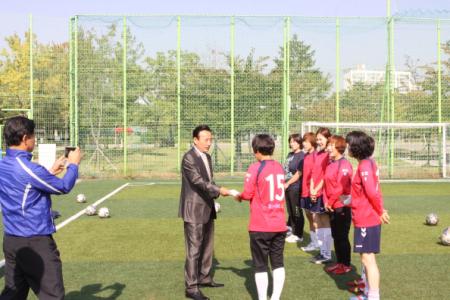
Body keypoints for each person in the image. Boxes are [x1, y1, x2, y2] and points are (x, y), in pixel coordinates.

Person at [0, 116, 82, 300]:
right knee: (52, 295)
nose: (34, 140)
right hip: (35, 241)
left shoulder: (4, 164)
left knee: (13, 294)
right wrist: (74, 165)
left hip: (12, 240)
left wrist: (49, 172)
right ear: (24, 138)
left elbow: (24, 187)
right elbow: (63, 187)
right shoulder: (29, 169)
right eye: (33, 136)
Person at [179, 125, 231, 300]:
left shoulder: (207, 157)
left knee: (207, 246)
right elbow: (198, 181)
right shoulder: (188, 158)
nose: (209, 143)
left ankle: (205, 277)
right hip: (194, 210)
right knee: (194, 250)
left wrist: (215, 190)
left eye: (211, 139)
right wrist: (219, 190)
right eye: (206, 139)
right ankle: (191, 288)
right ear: (195, 140)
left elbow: (208, 180)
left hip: (207, 208)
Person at [234, 134, 287, 300]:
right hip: (279, 224)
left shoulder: (255, 168)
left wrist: (239, 196)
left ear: (256, 151)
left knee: (260, 265)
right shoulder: (279, 167)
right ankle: (276, 297)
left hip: (260, 225)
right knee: (278, 262)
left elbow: (248, 194)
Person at [346, 131, 390, 300]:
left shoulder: (364, 165)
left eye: (349, 144)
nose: (347, 147)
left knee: (367, 259)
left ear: (355, 147)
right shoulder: (369, 163)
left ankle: (373, 296)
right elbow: (369, 192)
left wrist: (380, 211)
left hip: (366, 217)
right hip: (365, 215)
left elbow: (372, 192)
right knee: (365, 257)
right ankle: (367, 293)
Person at [323, 135, 353, 275]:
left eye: (331, 145)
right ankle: (339, 263)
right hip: (331, 205)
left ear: (339, 147)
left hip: (341, 206)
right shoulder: (330, 163)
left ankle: (346, 264)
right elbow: (326, 184)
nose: (328, 148)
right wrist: (325, 200)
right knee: (336, 235)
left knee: (342, 236)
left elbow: (340, 188)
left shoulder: (344, 165)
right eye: (328, 145)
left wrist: (330, 202)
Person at [308, 127, 333, 264]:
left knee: (324, 221)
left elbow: (325, 176)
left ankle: (326, 253)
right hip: (314, 192)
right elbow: (314, 173)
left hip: (322, 193)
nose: (318, 142)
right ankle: (323, 251)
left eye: (320, 139)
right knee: (316, 219)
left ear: (328, 139)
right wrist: (312, 188)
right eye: (317, 139)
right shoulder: (317, 154)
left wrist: (316, 190)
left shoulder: (328, 155)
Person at [300, 132, 320, 252]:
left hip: (312, 191)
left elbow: (317, 175)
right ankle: (314, 241)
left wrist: (314, 190)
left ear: (312, 142)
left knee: (315, 217)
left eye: (306, 141)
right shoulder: (306, 156)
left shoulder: (316, 156)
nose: (304, 143)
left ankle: (318, 242)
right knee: (309, 216)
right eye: (303, 141)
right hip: (305, 191)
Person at [283, 133, 305, 243]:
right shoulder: (290, 154)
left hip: (295, 187)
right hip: (287, 186)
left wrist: (288, 183)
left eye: (294, 142)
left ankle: (299, 234)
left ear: (299, 143)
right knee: (290, 210)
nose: (292, 144)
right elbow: (286, 169)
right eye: (290, 142)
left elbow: (299, 173)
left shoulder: (302, 155)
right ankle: (291, 229)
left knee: (296, 210)